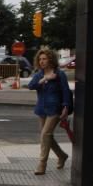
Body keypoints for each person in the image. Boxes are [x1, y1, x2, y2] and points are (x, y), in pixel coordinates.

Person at [27, 47, 71, 175]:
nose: (42, 61)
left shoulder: (59, 74)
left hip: (54, 109)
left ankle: (42, 164)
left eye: (44, 59)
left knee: (45, 134)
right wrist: (45, 79)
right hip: (42, 108)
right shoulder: (39, 74)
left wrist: (66, 107)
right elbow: (31, 86)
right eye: (40, 59)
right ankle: (62, 155)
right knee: (47, 136)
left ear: (50, 59)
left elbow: (65, 91)